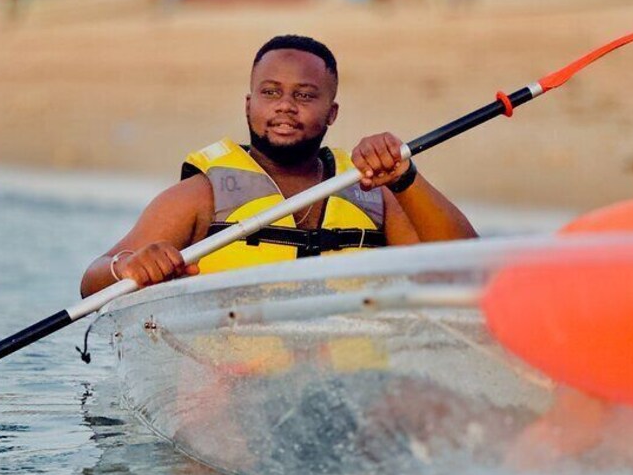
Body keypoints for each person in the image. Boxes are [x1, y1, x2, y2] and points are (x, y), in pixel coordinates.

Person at [80, 35, 477, 298]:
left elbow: (464, 269)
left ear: (331, 112)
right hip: (232, 381)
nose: (285, 105)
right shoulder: (201, 196)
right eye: (270, 93)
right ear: (248, 104)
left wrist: (407, 178)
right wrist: (129, 266)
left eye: (305, 95)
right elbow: (91, 282)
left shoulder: (372, 194)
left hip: (350, 381)